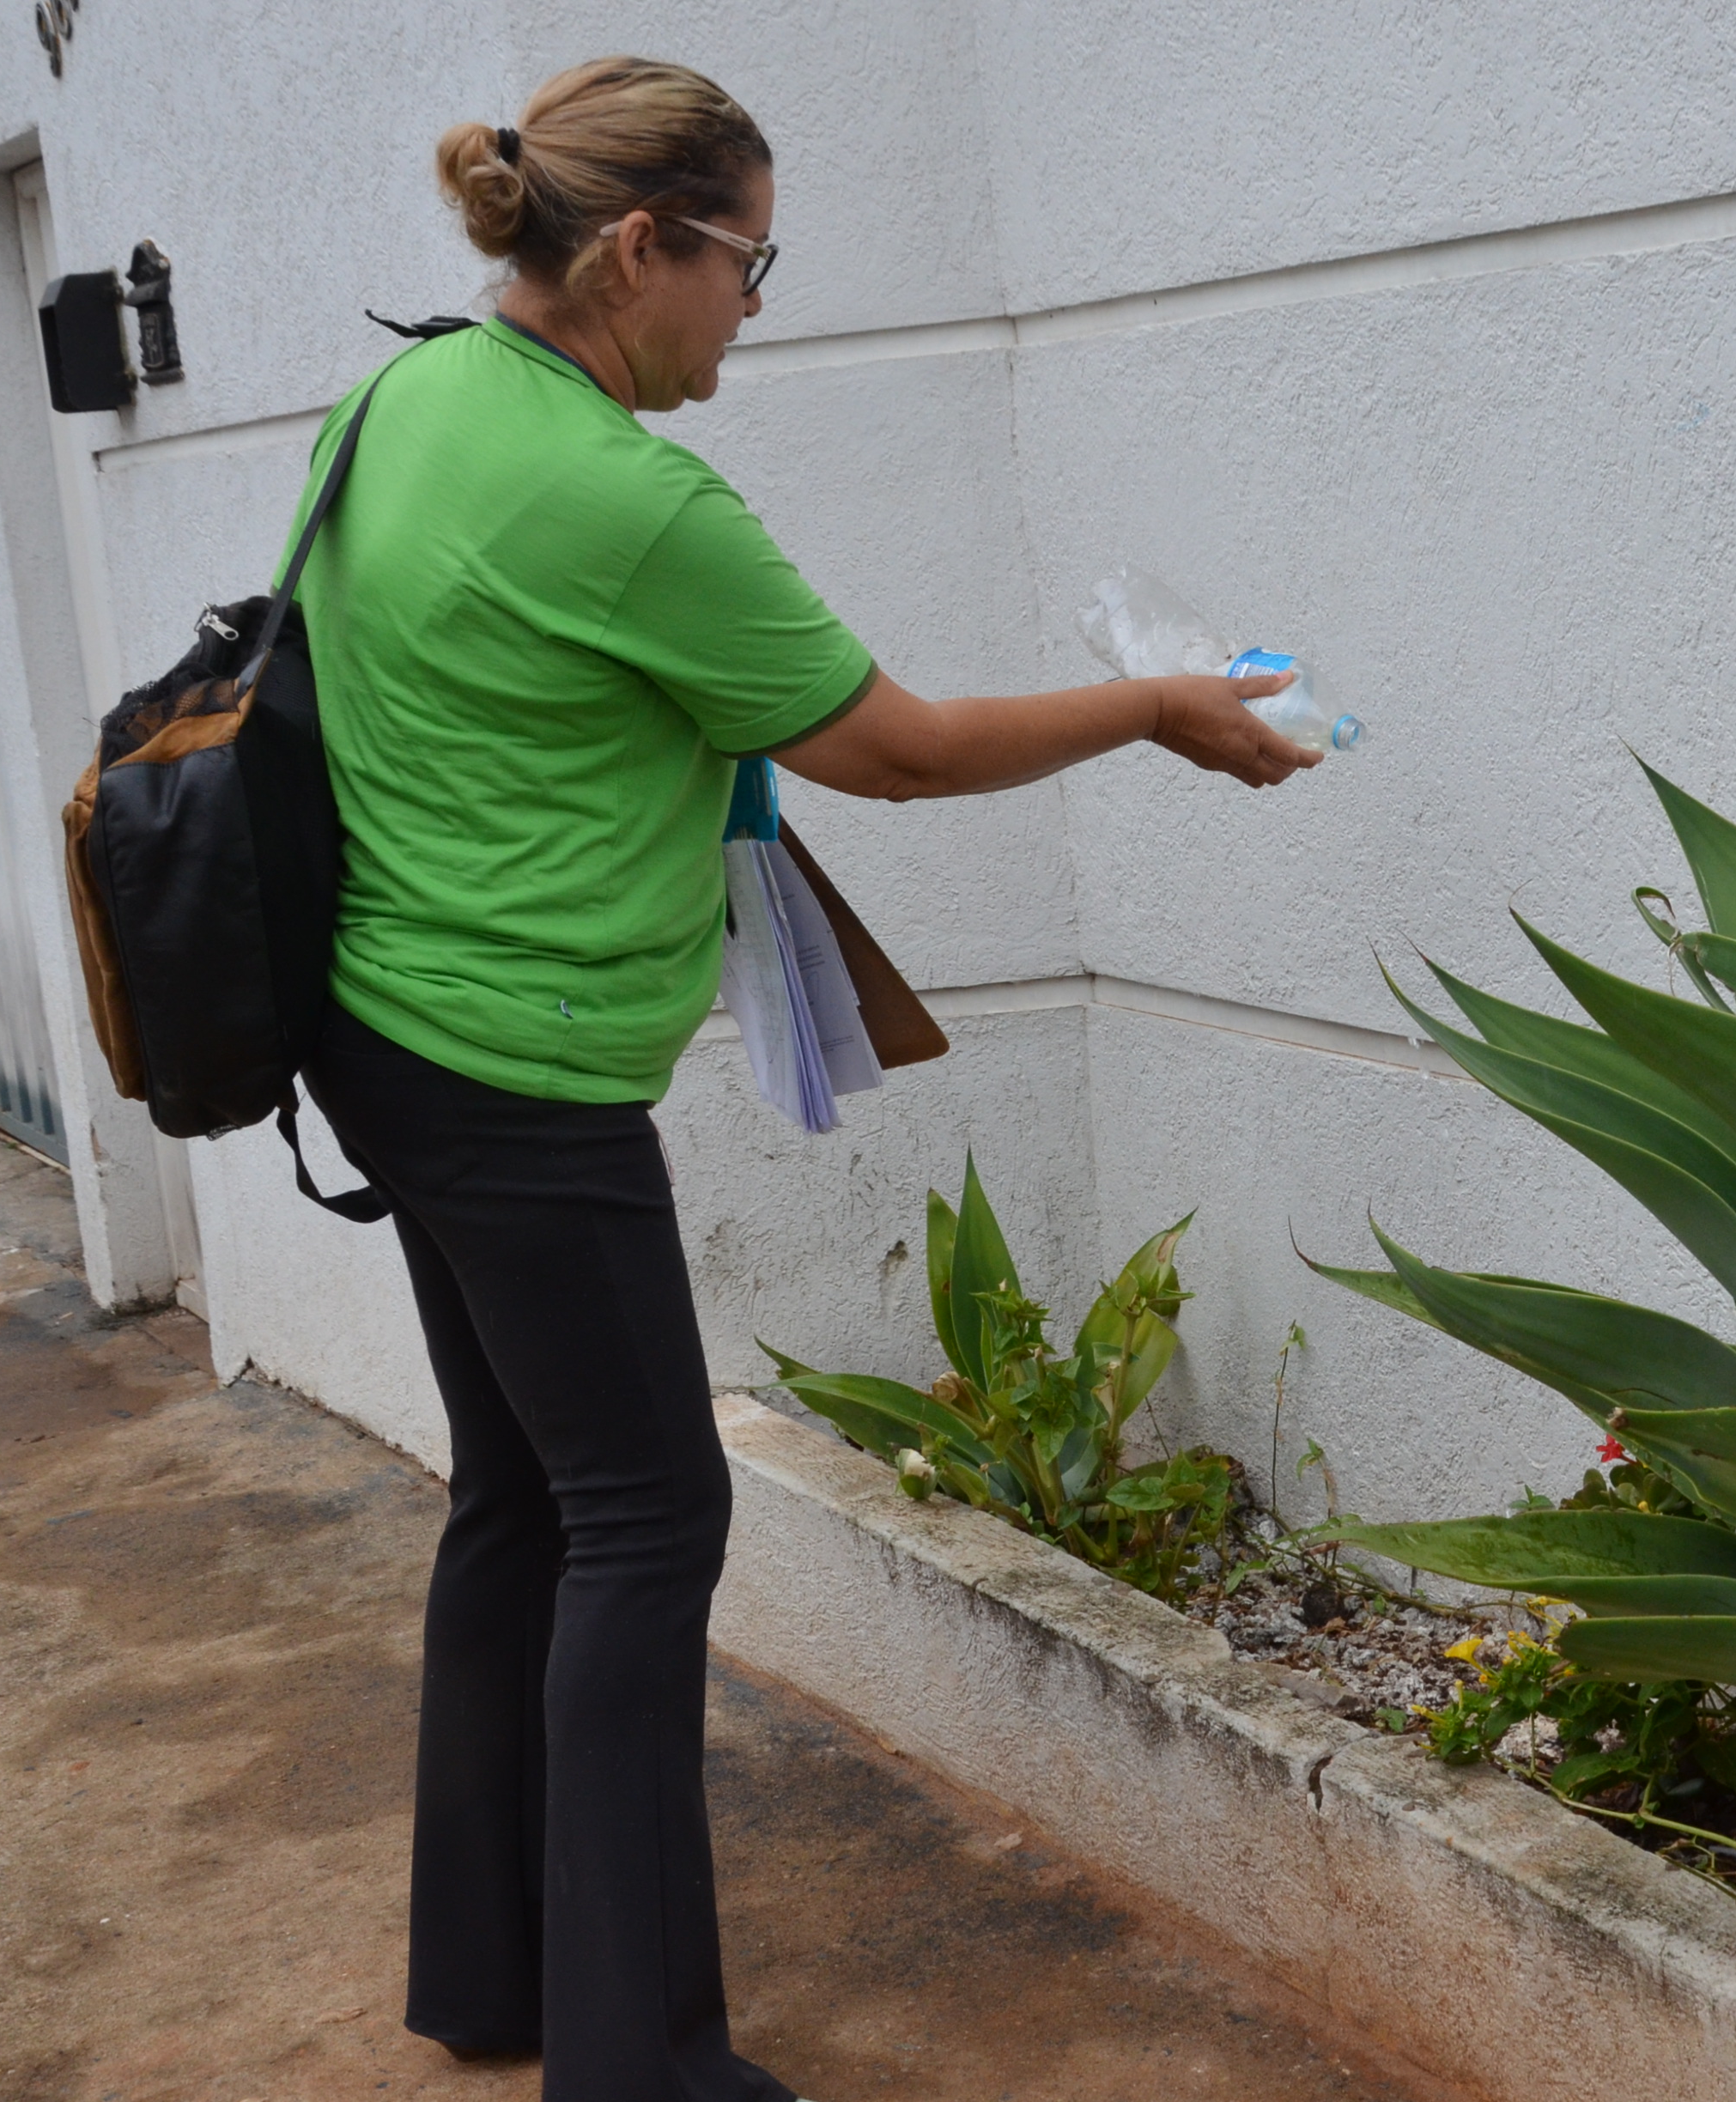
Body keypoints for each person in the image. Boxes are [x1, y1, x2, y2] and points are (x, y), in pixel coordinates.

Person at [289, 56, 1313, 2102]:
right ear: (641, 249)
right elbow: (900, 750)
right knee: (650, 1521)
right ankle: (639, 2064)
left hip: (384, 1025)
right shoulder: (625, 490)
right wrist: (1163, 711)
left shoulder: (407, 396)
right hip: (521, 1064)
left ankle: (497, 1982)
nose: (762, 305)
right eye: (751, 262)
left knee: (527, 1502)